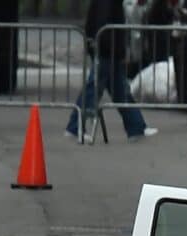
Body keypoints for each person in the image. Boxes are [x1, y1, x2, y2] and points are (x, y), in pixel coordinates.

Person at [66, 0, 158, 142]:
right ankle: (74, 126)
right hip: (107, 50)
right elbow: (105, 24)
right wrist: (115, 49)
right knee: (95, 88)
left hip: (107, 48)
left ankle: (136, 126)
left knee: (119, 89)